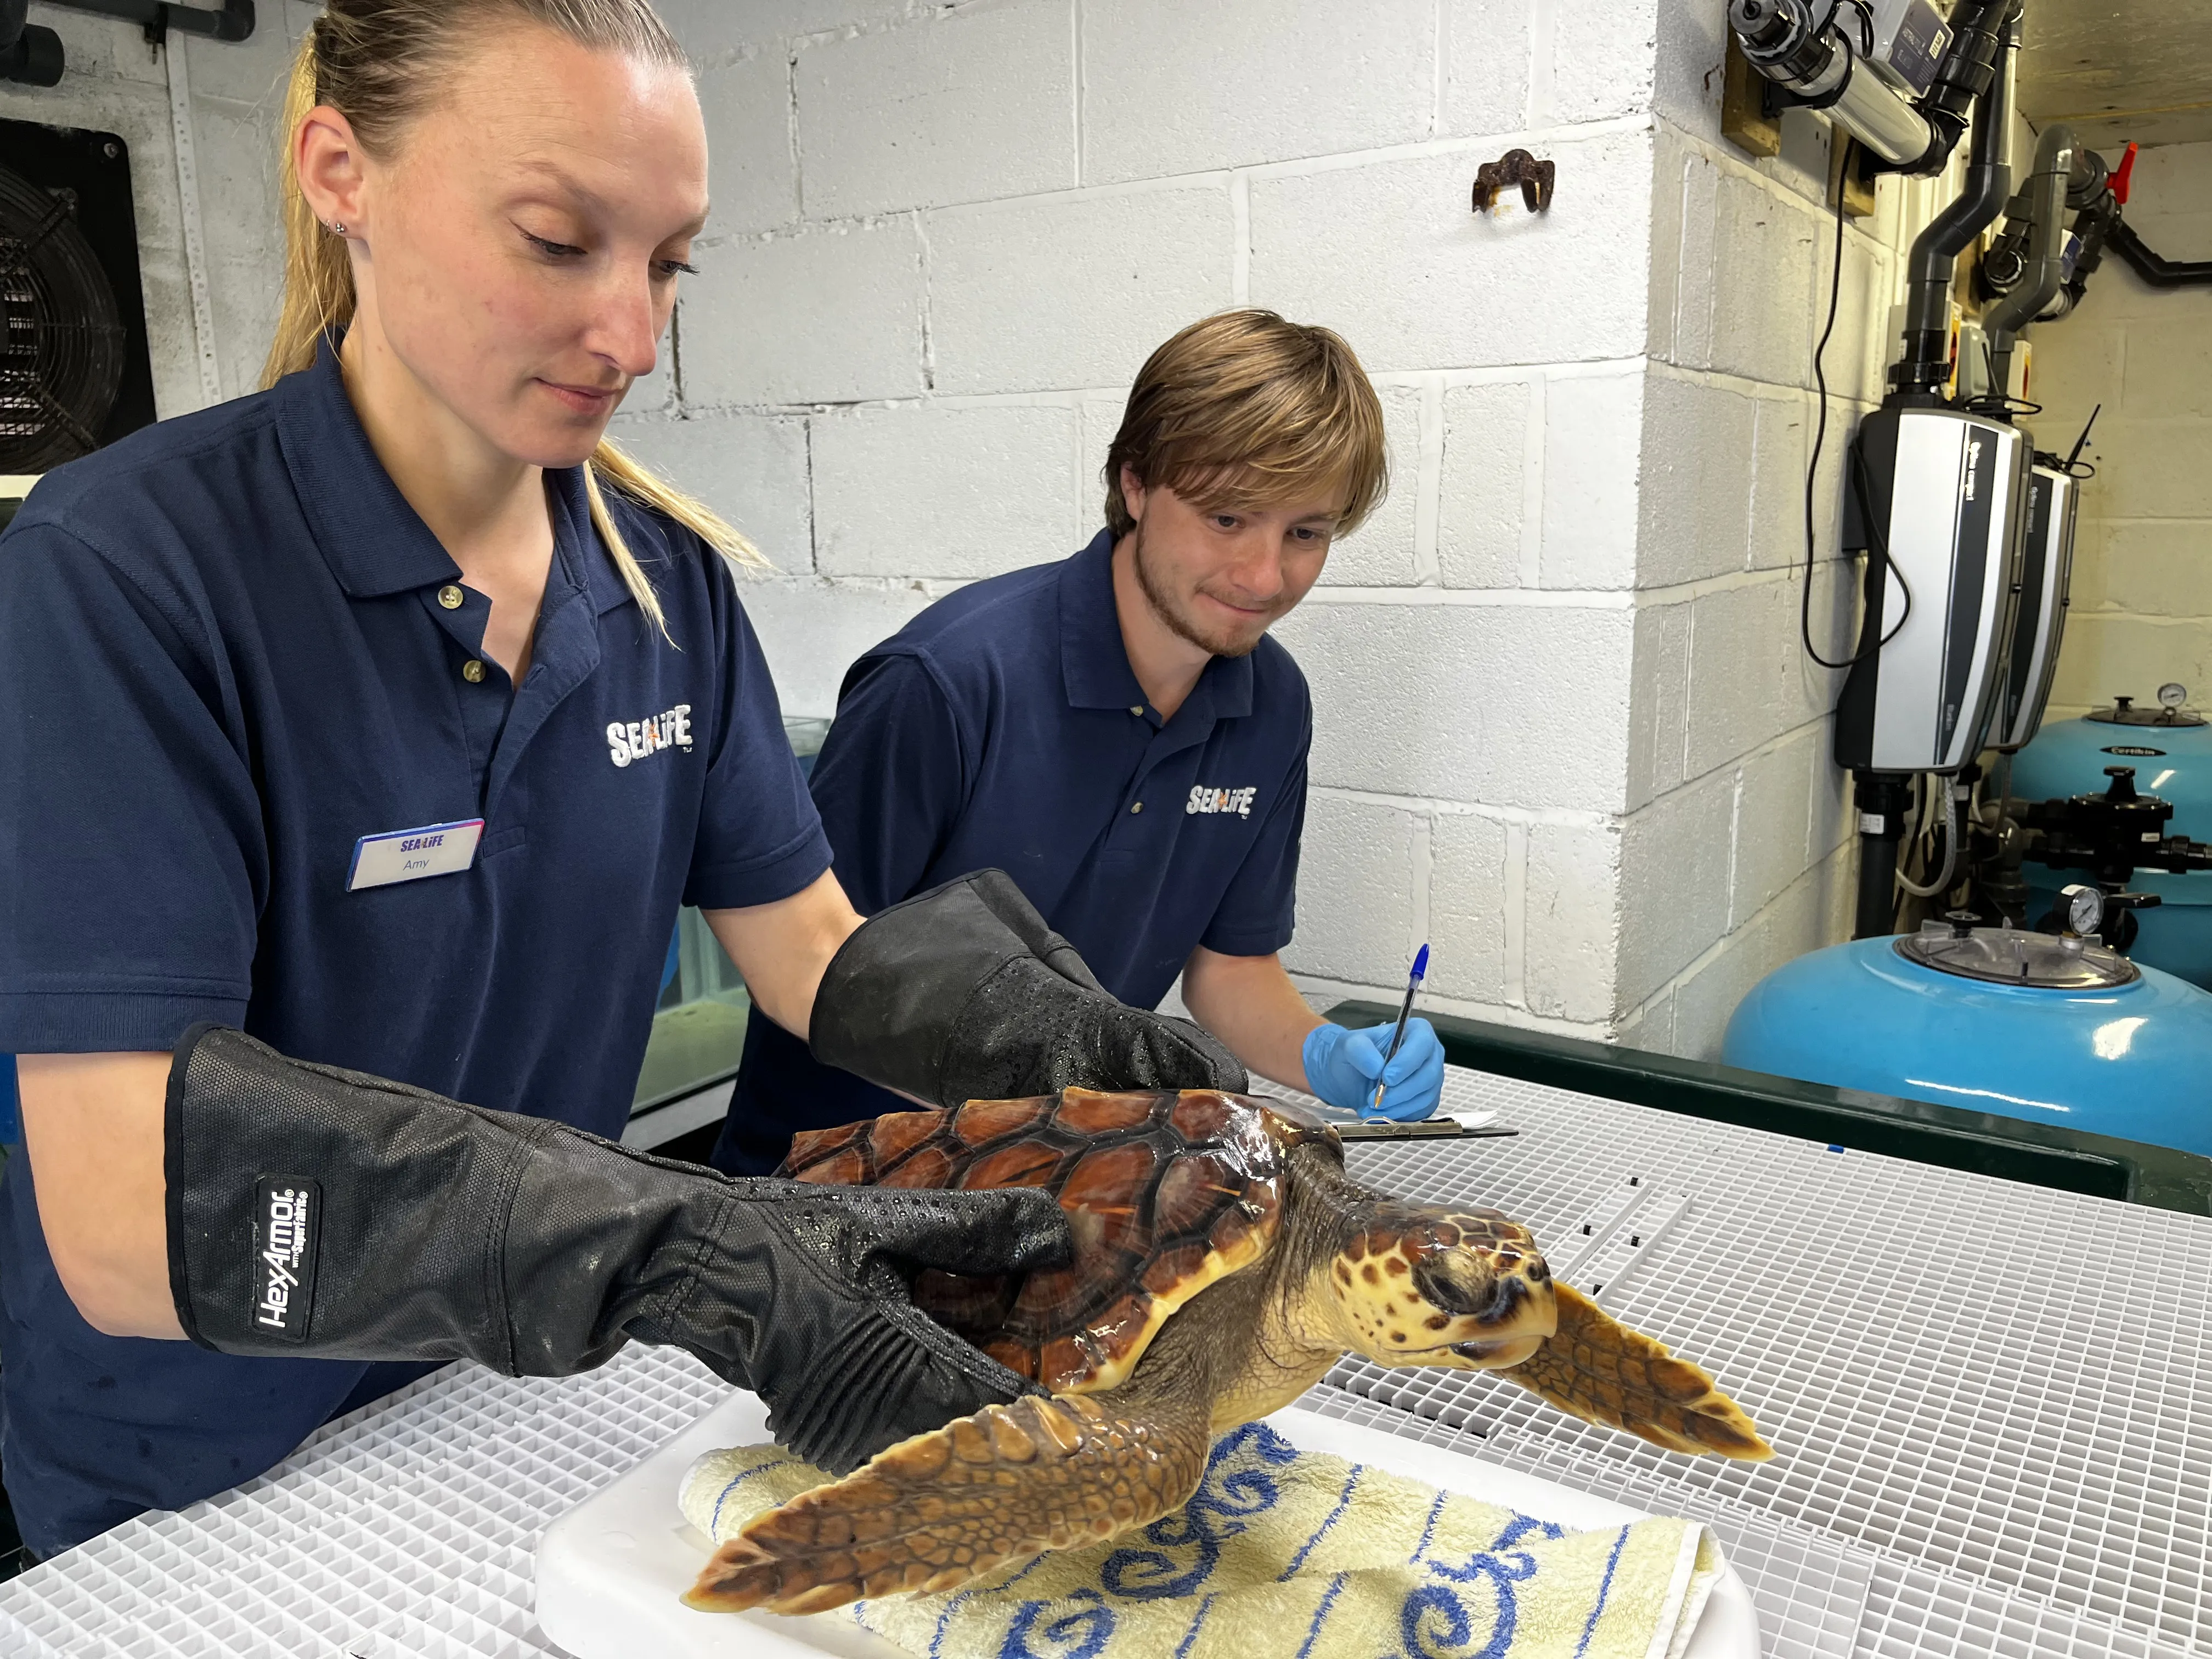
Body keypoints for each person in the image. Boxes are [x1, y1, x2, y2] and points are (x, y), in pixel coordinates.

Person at [0, 0, 1238, 1561]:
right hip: (198, 1459)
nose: (634, 337)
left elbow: (811, 956)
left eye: (667, 263)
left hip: (508, 1392)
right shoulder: (125, 573)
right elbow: (121, 1221)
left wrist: (1048, 1038)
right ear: (340, 173)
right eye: (556, 239)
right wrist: (679, 1245)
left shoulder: (660, 588)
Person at [714, 311, 1447, 1178]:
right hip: (836, 1179)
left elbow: (1231, 969)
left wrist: (1326, 1054)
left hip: (1062, 1178)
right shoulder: (945, 683)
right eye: (1225, 518)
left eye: (1306, 533)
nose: (1265, 576)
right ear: (1136, 484)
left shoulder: (1272, 704)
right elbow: (818, 973)